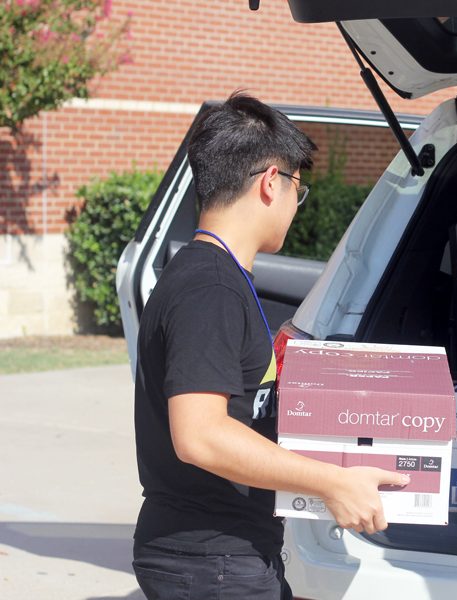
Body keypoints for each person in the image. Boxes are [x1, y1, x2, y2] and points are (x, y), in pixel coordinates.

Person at [131, 92, 409, 600]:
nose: (295, 207)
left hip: (223, 554)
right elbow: (200, 436)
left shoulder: (212, 277)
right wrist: (331, 482)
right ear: (269, 182)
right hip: (209, 561)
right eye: (297, 191)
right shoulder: (208, 288)